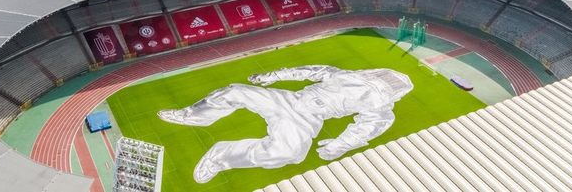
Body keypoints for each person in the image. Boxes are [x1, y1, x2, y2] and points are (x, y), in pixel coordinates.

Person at [157, 65, 414, 183]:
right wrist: (273, 76)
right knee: (235, 91)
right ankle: (193, 116)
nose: (372, 89)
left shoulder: (379, 105)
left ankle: (221, 155)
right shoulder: (349, 77)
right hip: (289, 100)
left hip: (304, 119)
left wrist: (339, 145)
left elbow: (368, 127)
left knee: (289, 153)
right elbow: (310, 71)